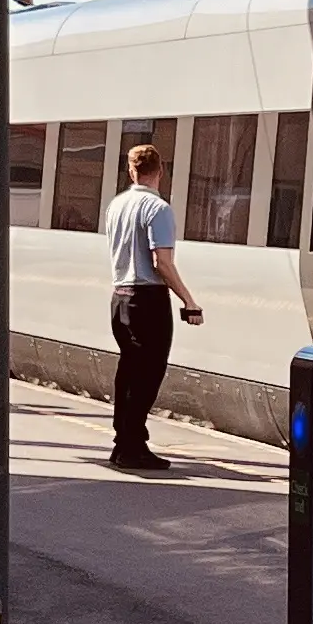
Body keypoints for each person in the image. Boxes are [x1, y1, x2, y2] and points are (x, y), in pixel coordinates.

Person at [100, 140, 202, 471]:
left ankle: (123, 443)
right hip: (148, 301)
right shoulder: (159, 210)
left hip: (120, 298)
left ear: (131, 171)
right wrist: (188, 300)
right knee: (147, 375)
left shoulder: (115, 206)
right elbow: (162, 263)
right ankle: (132, 447)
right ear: (161, 171)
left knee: (128, 371)